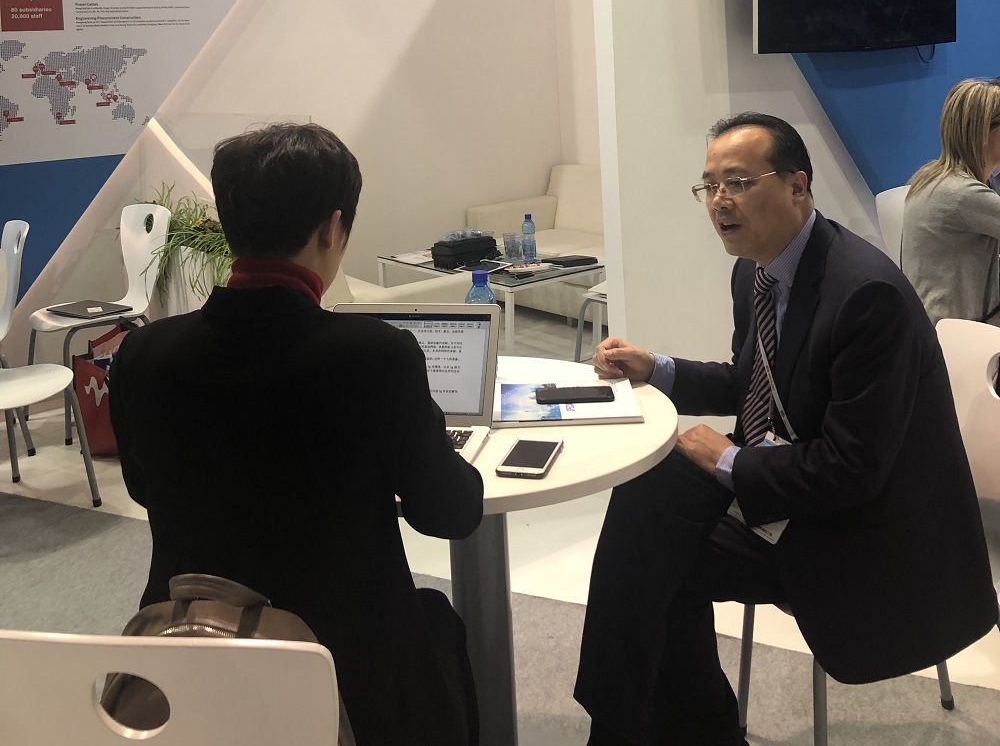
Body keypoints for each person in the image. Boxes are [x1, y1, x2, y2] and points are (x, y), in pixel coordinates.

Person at [573, 113, 998, 746]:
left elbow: (853, 471)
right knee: (646, 492)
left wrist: (728, 461)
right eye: (710, 185)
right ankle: (653, 724)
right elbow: (753, 382)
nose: (720, 200)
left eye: (739, 182)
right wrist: (656, 368)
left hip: (859, 525)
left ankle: (645, 726)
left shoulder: (865, 295)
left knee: (657, 558)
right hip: (791, 479)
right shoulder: (757, 269)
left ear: (797, 186)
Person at [109, 123, 484, 746]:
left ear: (228, 223)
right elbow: (450, 513)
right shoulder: (375, 356)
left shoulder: (143, 353)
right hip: (345, 673)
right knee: (438, 624)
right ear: (331, 228)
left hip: (187, 658)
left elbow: (144, 489)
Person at [902, 77, 1000, 326]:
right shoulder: (962, 195)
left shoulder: (933, 176)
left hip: (940, 325)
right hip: (965, 335)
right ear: (984, 133)